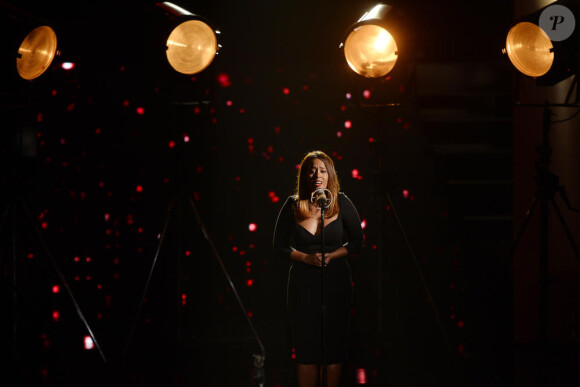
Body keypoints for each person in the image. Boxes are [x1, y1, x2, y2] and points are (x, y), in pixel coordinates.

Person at [273, 150, 364, 387]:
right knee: (306, 346)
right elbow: (279, 246)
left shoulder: (341, 202)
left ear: (330, 175)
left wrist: (332, 255)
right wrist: (305, 258)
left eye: (322, 170)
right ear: (304, 175)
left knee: (333, 346)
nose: (317, 174)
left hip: (336, 282)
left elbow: (357, 242)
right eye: (312, 170)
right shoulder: (293, 205)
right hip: (303, 285)